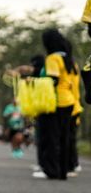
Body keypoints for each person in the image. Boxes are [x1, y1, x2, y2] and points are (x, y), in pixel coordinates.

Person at [34, 30, 79, 180]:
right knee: (64, 138)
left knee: (51, 137)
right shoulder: (70, 59)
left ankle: (52, 170)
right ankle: (63, 171)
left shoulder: (53, 58)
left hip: (55, 102)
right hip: (69, 101)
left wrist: (34, 82)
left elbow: (53, 80)